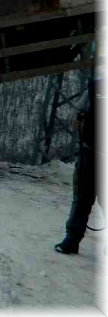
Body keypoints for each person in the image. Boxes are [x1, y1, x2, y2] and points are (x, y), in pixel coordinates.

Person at [56, 75, 99, 254]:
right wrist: (78, 120)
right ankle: (72, 239)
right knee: (82, 197)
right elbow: (74, 116)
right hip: (90, 151)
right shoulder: (96, 88)